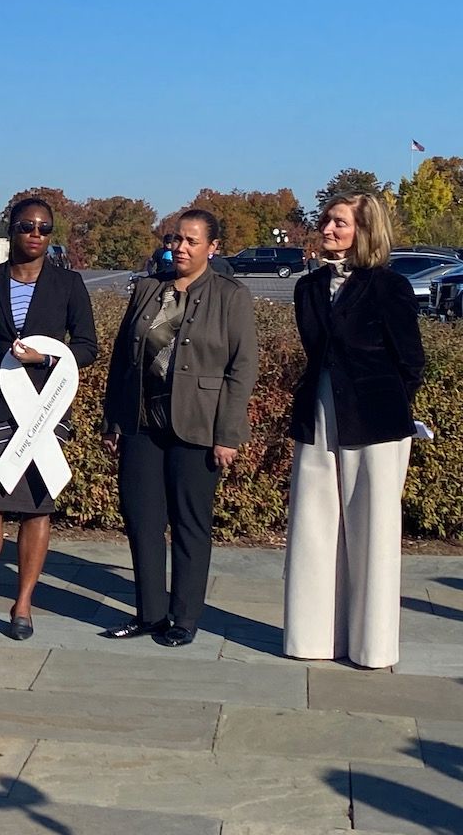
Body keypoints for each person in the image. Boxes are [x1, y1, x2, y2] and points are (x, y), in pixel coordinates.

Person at [100, 209, 258, 647]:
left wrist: (228, 434)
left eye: (191, 241)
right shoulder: (149, 289)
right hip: (142, 423)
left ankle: (184, 618)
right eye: (176, 240)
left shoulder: (230, 295)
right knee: (142, 521)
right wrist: (113, 420)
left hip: (197, 426)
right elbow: (121, 360)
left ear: (213, 247)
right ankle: (149, 613)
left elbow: (242, 369)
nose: (181, 248)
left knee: (190, 524)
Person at [283, 193, 424, 669]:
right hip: (319, 412)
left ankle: (372, 645)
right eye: (326, 220)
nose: (327, 228)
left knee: (373, 530)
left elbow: (410, 361)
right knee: (313, 525)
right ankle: (311, 638)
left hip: (377, 420)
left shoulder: (389, 286)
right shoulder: (308, 287)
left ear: (364, 231)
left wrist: (388, 404)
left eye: (339, 223)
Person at [0, 197, 98, 640]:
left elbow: (88, 347)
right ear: (10, 229)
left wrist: (48, 357)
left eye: (43, 228)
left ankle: (23, 604)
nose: (35, 234)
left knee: (37, 512)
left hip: (45, 410)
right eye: (26, 226)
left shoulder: (69, 284)